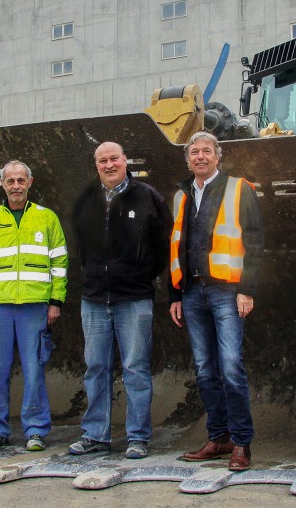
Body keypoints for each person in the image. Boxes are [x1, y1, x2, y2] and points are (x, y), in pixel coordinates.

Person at [67, 142, 172, 460]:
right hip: (95, 299)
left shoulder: (148, 197)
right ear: (96, 165)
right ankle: (95, 435)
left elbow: (164, 242)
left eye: (114, 159)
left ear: (126, 160)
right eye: (102, 160)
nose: (109, 165)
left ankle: (137, 436)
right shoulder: (87, 199)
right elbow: (80, 246)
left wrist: (142, 274)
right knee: (95, 367)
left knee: (135, 368)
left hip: (134, 299)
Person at [168, 131, 264, 471]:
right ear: (188, 159)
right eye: (194, 152)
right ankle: (218, 437)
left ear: (217, 156)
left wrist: (247, 289)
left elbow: (254, 242)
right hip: (192, 292)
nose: (200, 157)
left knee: (231, 367)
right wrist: (175, 294)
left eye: (206, 151)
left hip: (227, 291)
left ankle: (241, 443)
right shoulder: (182, 195)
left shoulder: (239, 189)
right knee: (206, 370)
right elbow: (176, 245)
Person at [0, 160, 67, 452]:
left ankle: (35, 430)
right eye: (10, 181)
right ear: (3, 184)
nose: (15, 186)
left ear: (30, 183)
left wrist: (55, 301)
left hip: (35, 306)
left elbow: (59, 261)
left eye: (20, 180)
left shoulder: (46, 218)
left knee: (34, 369)